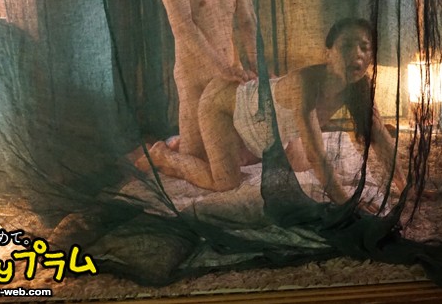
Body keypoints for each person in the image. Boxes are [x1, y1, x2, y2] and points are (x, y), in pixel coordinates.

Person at [145, 18, 406, 205]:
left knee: (297, 165)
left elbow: (380, 137)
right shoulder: (306, 83)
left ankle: (187, 144)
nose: (357, 55)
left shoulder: (360, 87)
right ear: (328, 53)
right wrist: (347, 204)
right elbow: (317, 156)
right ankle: (163, 154)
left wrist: (404, 185)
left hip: (266, 124)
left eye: (364, 47)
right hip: (222, 103)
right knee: (226, 182)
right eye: (347, 46)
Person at [157, 0, 258, 160]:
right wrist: (222, 68)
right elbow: (183, 26)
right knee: (197, 158)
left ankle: (174, 145)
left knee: (239, 155)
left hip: (231, 74)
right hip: (196, 77)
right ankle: (161, 154)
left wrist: (257, 64)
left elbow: (248, 21)